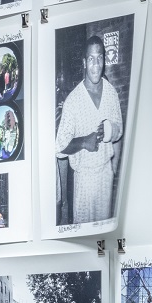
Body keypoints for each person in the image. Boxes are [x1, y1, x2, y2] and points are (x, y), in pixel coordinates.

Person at [55, 35, 123, 225]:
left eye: (99, 58)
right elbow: (59, 147)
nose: (96, 64)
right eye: (91, 59)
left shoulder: (111, 93)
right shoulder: (73, 101)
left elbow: (119, 131)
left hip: (105, 176)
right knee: (85, 237)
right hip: (84, 179)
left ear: (104, 60)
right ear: (85, 62)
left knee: (104, 233)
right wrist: (84, 141)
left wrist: (111, 130)